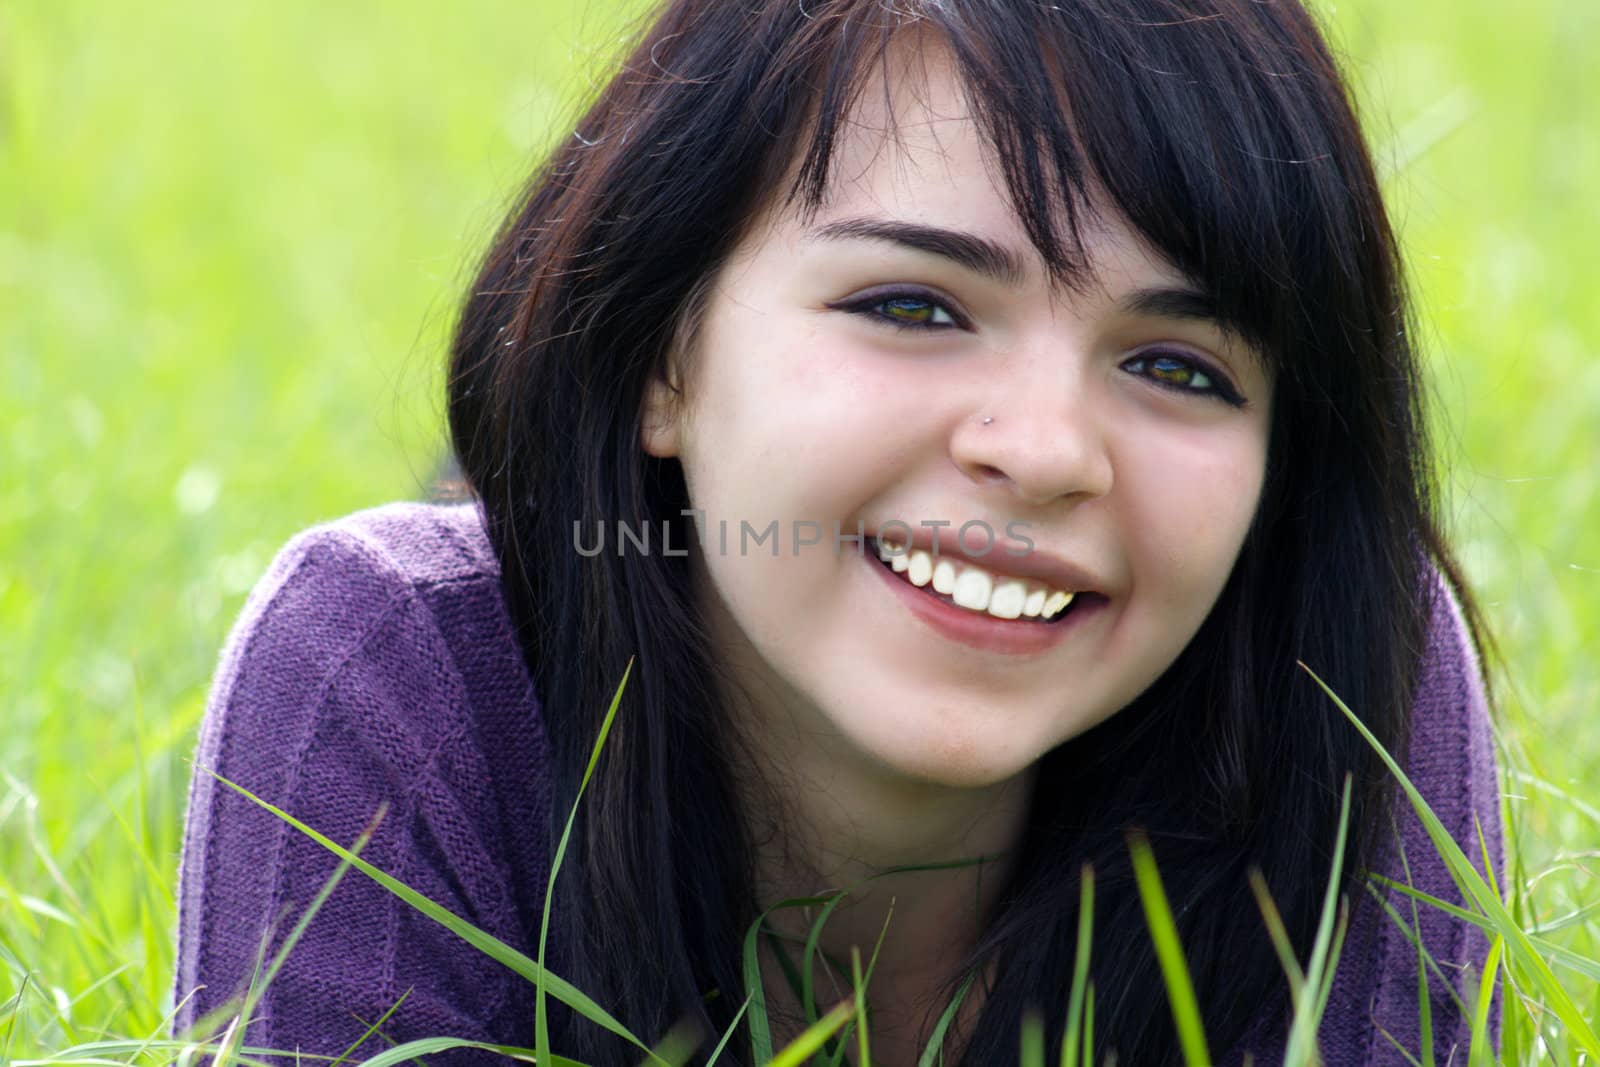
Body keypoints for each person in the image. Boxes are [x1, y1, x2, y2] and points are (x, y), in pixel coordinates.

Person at [172, 1, 1504, 1064]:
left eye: (1179, 368)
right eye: (914, 306)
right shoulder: (397, 675)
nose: (1041, 452)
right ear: (660, 352)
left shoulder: (1345, 685)